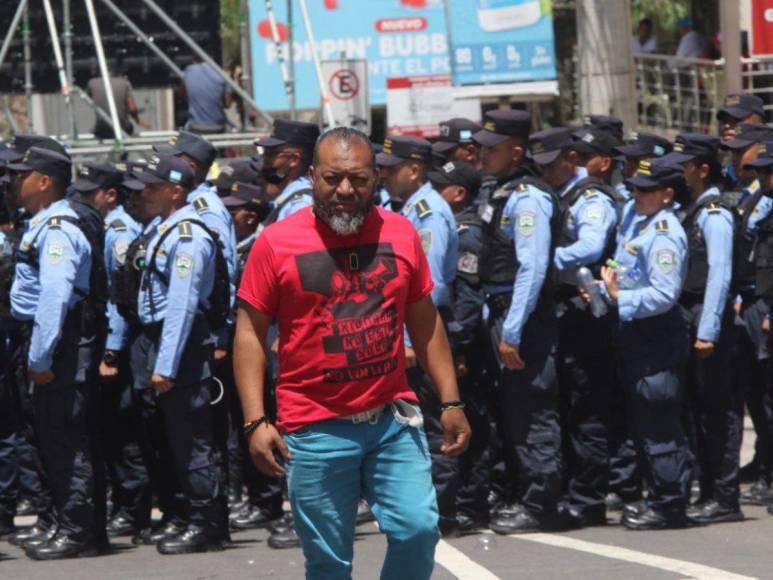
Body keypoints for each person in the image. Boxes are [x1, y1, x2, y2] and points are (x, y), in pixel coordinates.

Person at [234, 127, 470, 578]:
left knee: (418, 530)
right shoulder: (275, 243)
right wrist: (255, 419)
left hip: (391, 421)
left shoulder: (401, 233)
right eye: (332, 178)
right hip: (313, 429)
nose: (345, 190)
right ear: (311, 176)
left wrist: (452, 400)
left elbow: (425, 321)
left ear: (375, 178)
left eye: (358, 179)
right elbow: (249, 332)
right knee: (329, 562)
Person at [9, 147, 105, 559]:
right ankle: (64, 522)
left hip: (60, 344)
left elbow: (54, 297)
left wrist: (40, 359)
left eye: (22, 175)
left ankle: (78, 531)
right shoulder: (44, 223)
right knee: (50, 437)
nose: (15, 182)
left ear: (45, 181)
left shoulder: (59, 229)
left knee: (66, 440)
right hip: (52, 342)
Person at [471, 110, 561, 534]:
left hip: (523, 318)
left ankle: (542, 503)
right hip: (505, 312)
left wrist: (512, 330)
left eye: (492, 148)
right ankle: (526, 494)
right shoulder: (502, 191)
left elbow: (533, 267)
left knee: (533, 410)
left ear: (517, 151)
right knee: (516, 410)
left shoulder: (529, 199)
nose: (483, 154)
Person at [131, 154, 224, 555]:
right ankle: (192, 516)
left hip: (183, 347)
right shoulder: (164, 229)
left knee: (193, 441)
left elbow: (182, 306)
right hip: (165, 342)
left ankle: (208, 524)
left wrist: (165, 365)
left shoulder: (188, 236)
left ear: (176, 191)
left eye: (153, 187)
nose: (145, 194)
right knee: (177, 438)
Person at [596, 158, 691, 530]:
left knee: (659, 421)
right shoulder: (642, 223)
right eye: (635, 187)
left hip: (655, 334)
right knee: (645, 422)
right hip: (635, 331)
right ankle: (660, 495)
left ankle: (669, 504)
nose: (637, 194)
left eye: (646, 190)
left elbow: (665, 294)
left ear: (667, 195)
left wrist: (621, 298)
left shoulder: (665, 233)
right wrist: (607, 289)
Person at [532, 127, 619, 529]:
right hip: (564, 309)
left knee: (587, 408)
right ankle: (574, 492)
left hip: (586, 311)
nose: (546, 172)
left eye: (552, 164)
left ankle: (588, 499)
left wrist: (542, 260)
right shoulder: (561, 194)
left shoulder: (592, 197)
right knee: (567, 403)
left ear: (571, 159)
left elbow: (591, 246)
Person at [376, 135, 461, 535]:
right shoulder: (402, 209)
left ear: (414, 169)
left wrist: (410, 343)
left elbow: (432, 286)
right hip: (408, 329)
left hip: (424, 331)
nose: (385, 176)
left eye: (392, 169)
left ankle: (442, 510)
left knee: (430, 421)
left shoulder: (426, 212)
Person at [71, 162, 151, 538]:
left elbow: (120, 299)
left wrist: (112, 353)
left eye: (91, 193)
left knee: (122, 430)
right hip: (117, 340)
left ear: (110, 195)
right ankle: (128, 505)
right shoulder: (109, 226)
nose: (84, 200)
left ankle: (133, 509)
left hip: (117, 343)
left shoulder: (118, 232)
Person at [667, 134, 743, 525]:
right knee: (699, 409)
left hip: (706, 318)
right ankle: (709, 488)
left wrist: (708, 329)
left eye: (685, 166)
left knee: (719, 411)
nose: (679, 173)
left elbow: (719, 274)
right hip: (691, 314)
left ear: (702, 170)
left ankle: (725, 496)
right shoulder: (694, 209)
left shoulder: (714, 213)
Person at [429, 160, 492, 533]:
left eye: (441, 186)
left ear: (459, 194)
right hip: (456, 340)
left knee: (467, 425)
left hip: (463, 343)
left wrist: (458, 347)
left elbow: (467, 298)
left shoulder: (467, 232)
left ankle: (468, 506)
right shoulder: (451, 226)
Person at [87, 73, 149, 139]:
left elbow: (89, 98)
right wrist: (138, 120)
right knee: (129, 127)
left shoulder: (92, 82)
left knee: (94, 130)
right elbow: (132, 108)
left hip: (101, 129)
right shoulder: (125, 83)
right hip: (122, 129)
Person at [182, 55, 234, 130]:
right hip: (218, 125)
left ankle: (172, 142)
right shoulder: (222, 74)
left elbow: (184, 95)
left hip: (195, 125)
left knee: (179, 134)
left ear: (194, 61)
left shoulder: (188, 70)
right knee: (232, 129)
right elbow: (228, 104)